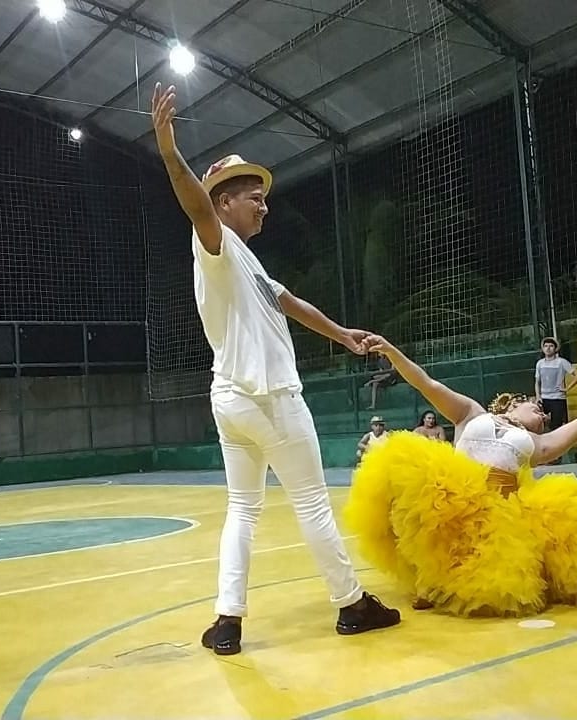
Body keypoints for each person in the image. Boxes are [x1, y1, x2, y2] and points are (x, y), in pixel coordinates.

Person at [151, 83, 400, 655]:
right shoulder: (213, 242)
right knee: (310, 502)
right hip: (270, 398)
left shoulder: (246, 260)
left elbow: (290, 302)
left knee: (242, 509)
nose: (264, 205)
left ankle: (227, 621)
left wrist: (342, 335)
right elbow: (194, 202)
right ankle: (352, 605)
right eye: (253, 197)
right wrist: (168, 150)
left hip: (230, 400)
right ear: (223, 203)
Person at [344, 333, 577, 618]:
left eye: (544, 417)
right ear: (511, 403)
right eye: (537, 407)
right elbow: (426, 383)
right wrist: (391, 350)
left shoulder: (536, 442)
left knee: (570, 509)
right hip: (452, 501)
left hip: (499, 513)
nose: (543, 414)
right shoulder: (471, 412)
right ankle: (428, 577)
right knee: (402, 461)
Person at [534, 337, 577, 432]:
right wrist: (538, 396)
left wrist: (567, 388)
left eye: (551, 346)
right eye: (546, 346)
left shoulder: (562, 362)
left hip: (558, 399)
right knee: (539, 425)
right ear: (542, 348)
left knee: (556, 427)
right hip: (543, 399)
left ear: (555, 348)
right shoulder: (539, 363)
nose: (548, 348)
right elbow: (537, 382)